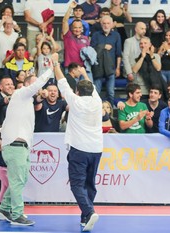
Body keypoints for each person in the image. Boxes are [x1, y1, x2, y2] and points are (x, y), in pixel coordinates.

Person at [0, 69, 53, 225]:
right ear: (26, 85)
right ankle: (17, 215)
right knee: (18, 181)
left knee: (21, 179)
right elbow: (36, 87)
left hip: (19, 146)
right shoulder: (21, 93)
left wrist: (0, 142)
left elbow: (6, 123)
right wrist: (52, 68)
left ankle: (3, 208)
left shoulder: (25, 101)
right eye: (34, 84)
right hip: (16, 146)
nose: (38, 87)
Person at [52, 53, 102, 231]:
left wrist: (55, 62)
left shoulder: (75, 100)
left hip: (79, 149)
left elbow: (61, 82)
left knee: (76, 185)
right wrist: (84, 73)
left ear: (78, 92)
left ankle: (89, 211)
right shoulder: (97, 100)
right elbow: (91, 86)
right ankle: (84, 218)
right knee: (90, 184)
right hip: (96, 149)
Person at [91, 15, 122, 106]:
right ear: (101, 24)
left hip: (111, 68)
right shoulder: (96, 35)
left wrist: (118, 68)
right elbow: (91, 50)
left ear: (112, 24)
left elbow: (118, 53)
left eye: (108, 23)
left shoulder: (116, 35)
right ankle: (96, 113)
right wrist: (103, 46)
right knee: (96, 92)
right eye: (104, 23)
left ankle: (110, 114)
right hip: (98, 67)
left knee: (111, 93)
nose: (106, 25)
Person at [62, 2, 90, 71]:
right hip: (70, 67)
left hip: (82, 68)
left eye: (79, 27)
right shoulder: (68, 36)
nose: (77, 29)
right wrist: (70, 8)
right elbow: (64, 21)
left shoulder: (85, 38)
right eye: (75, 27)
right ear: (71, 28)